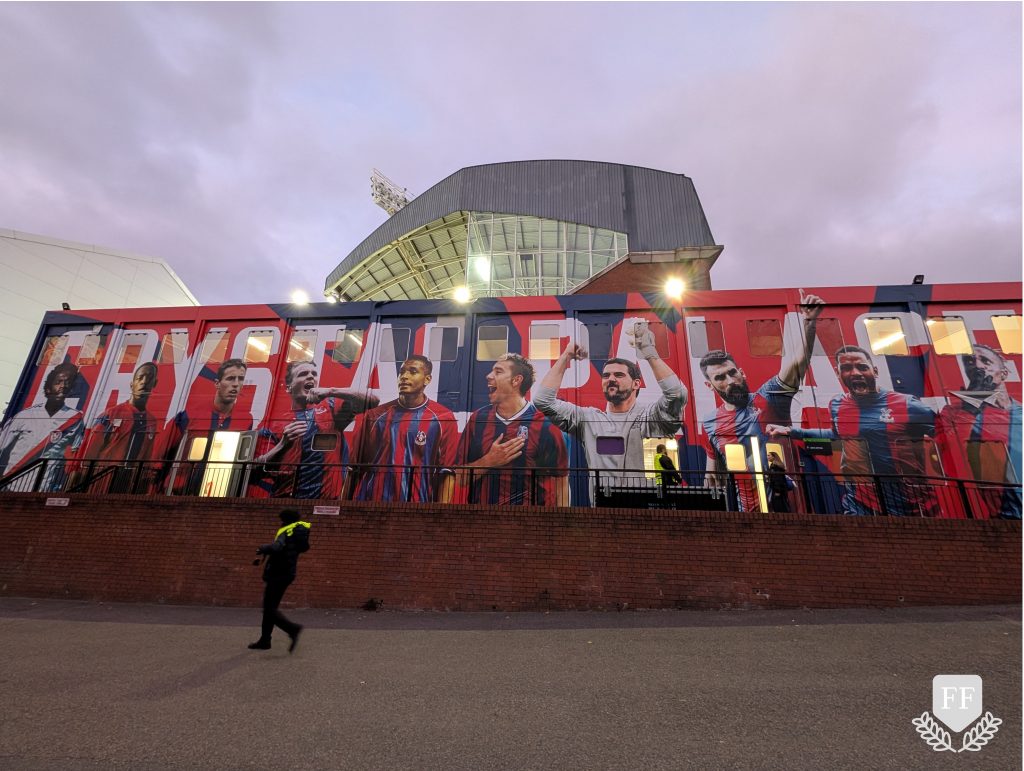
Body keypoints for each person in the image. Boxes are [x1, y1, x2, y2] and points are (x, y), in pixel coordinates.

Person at [768, 345, 937, 516]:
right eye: (847, 368)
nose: (855, 373)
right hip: (859, 502)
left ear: (875, 371)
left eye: (862, 367)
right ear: (838, 373)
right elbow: (836, 435)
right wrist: (791, 431)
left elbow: (943, 436)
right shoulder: (837, 404)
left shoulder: (908, 404)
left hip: (908, 505)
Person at [533, 321, 687, 502]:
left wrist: (649, 352)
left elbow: (676, 394)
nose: (611, 379)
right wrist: (566, 356)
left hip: (645, 512)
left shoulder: (651, 417)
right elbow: (542, 400)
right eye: (606, 376)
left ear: (636, 383)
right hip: (603, 512)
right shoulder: (588, 419)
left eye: (619, 375)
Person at [700, 289, 824, 512]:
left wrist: (809, 324)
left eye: (732, 373)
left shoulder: (768, 397)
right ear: (710, 385)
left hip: (788, 507)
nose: (730, 380)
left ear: (742, 373)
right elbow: (713, 475)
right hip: (745, 511)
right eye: (720, 377)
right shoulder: (710, 422)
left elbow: (797, 364)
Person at [457, 353, 568, 506]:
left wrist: (562, 523)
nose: (488, 376)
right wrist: (488, 461)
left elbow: (561, 481)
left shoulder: (545, 426)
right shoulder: (478, 420)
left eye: (498, 371)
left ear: (516, 380)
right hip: (482, 520)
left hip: (528, 523)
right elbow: (459, 478)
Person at [254, 359, 376, 499]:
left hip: (327, 502)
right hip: (285, 502)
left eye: (314, 373)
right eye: (303, 374)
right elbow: (253, 473)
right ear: (289, 387)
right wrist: (283, 444)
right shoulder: (272, 426)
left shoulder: (330, 408)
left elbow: (373, 401)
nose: (310, 376)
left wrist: (331, 391)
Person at [350, 355, 459, 502]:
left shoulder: (443, 417)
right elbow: (353, 469)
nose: (404, 377)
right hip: (371, 503)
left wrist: (441, 516)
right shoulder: (374, 416)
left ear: (427, 379)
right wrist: (343, 507)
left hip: (417, 506)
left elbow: (447, 472)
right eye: (402, 372)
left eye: (412, 372)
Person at [937, 344, 1021, 519]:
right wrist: (972, 404)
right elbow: (949, 454)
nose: (978, 365)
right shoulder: (953, 412)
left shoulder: (1020, 413)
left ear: (1004, 373)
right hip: (999, 515)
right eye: (970, 361)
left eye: (985, 360)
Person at [159, 358, 254, 494]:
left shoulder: (245, 419)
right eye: (230, 379)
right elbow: (163, 451)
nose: (236, 384)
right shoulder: (190, 414)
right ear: (217, 383)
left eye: (240, 379)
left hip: (218, 488)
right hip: (180, 489)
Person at [0, 362, 84, 491]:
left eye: (67, 382)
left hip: (45, 487)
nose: (62, 386)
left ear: (71, 389)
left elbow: (75, 452)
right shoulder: (24, 416)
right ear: (48, 388)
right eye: (58, 382)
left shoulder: (74, 418)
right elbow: (3, 447)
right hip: (12, 485)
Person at [249, 508, 310, 653]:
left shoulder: (286, 530)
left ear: (285, 519)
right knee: (270, 608)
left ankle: (292, 629)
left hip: (278, 573)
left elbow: (277, 547)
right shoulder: (297, 531)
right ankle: (265, 640)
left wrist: (263, 548)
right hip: (287, 573)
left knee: (269, 609)